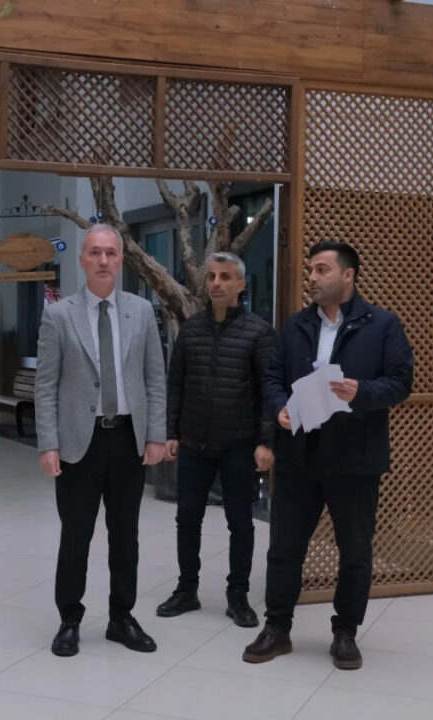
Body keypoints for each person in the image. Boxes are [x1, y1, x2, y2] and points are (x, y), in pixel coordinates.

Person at [243, 241, 413, 670]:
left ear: (348, 275)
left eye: (321, 270)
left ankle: (345, 632)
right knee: (284, 548)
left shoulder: (382, 325)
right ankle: (277, 628)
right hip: (298, 454)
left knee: (355, 551)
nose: (312, 278)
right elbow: (272, 377)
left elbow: (401, 381)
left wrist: (363, 392)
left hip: (354, 458)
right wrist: (280, 407)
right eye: (310, 271)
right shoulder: (296, 325)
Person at [35, 223, 168, 657]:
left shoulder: (141, 312)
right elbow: (45, 385)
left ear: (121, 259)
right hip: (80, 442)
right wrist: (48, 444)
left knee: (125, 535)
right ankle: (69, 619)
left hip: (128, 439)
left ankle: (121, 617)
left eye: (111, 252)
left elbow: (155, 378)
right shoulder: (59, 315)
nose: (104, 260)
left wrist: (156, 435)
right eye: (95, 252)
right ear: (82, 260)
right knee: (76, 535)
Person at [155, 252, 275, 628]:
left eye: (225, 276)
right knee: (187, 518)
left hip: (239, 444)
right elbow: (175, 384)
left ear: (241, 284)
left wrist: (266, 441)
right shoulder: (191, 330)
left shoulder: (259, 332)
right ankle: (186, 589)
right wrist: (171, 431)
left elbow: (269, 391)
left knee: (240, 522)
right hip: (194, 443)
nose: (217, 283)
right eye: (211, 276)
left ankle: (237, 594)